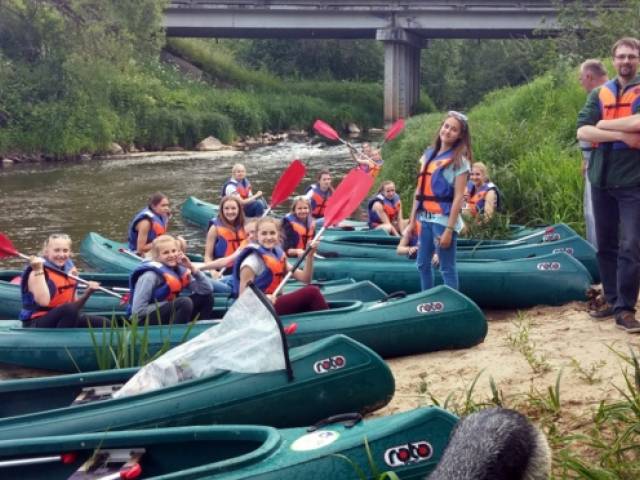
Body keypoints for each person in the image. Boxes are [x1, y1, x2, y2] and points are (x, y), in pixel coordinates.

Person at [577, 37, 640, 333]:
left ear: (637, 60)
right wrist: (622, 135)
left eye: (631, 56)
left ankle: (626, 309)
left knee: (631, 243)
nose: (626, 61)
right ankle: (613, 300)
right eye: (621, 57)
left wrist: (604, 126)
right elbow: (582, 130)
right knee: (605, 244)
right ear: (613, 60)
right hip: (601, 179)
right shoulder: (600, 94)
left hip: (633, 182)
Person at [410, 111, 471, 291]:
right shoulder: (428, 155)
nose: (448, 131)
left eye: (454, 129)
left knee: (446, 268)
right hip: (425, 219)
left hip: (443, 222)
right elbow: (419, 190)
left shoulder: (459, 161)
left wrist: (449, 230)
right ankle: (427, 300)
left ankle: (452, 306)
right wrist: (412, 220)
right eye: (446, 126)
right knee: (422, 264)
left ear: (460, 135)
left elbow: (459, 197)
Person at [232, 217, 329, 316]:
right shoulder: (251, 262)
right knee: (312, 292)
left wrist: (309, 256)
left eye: (272, 233)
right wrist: (265, 298)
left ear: (278, 235)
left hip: (275, 302)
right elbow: (243, 299)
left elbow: (305, 279)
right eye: (264, 233)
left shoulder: (278, 255)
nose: (269, 237)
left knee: (311, 292)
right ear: (257, 236)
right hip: (260, 310)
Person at [20, 234, 109, 328]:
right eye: (56, 250)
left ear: (70, 252)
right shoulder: (36, 272)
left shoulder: (70, 270)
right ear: (46, 252)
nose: (61, 255)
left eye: (65, 251)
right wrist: (38, 270)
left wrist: (87, 293)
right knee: (69, 309)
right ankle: (62, 341)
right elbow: (44, 302)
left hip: (64, 317)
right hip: (37, 322)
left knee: (104, 323)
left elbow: (76, 307)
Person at [127, 235, 213, 324]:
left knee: (206, 297)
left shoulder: (178, 271)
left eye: (174, 251)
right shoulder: (149, 276)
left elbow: (206, 290)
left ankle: (199, 329)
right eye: (166, 253)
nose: (171, 255)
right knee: (184, 302)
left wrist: (192, 268)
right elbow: (138, 311)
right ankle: (177, 334)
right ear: (157, 257)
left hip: (167, 311)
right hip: (143, 320)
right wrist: (170, 304)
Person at [578, 59, 609, 248]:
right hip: (593, 160)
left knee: (596, 214)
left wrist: (590, 157)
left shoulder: (605, 95)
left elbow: (588, 129)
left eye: (581, 78)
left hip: (603, 164)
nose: (580, 82)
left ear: (589, 76)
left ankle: (602, 263)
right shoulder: (600, 95)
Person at [204, 196, 246, 273]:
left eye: (233, 208)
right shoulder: (214, 229)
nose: (230, 212)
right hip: (223, 270)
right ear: (222, 210)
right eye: (226, 208)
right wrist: (212, 271)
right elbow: (208, 256)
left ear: (239, 209)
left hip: (243, 267)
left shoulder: (246, 226)